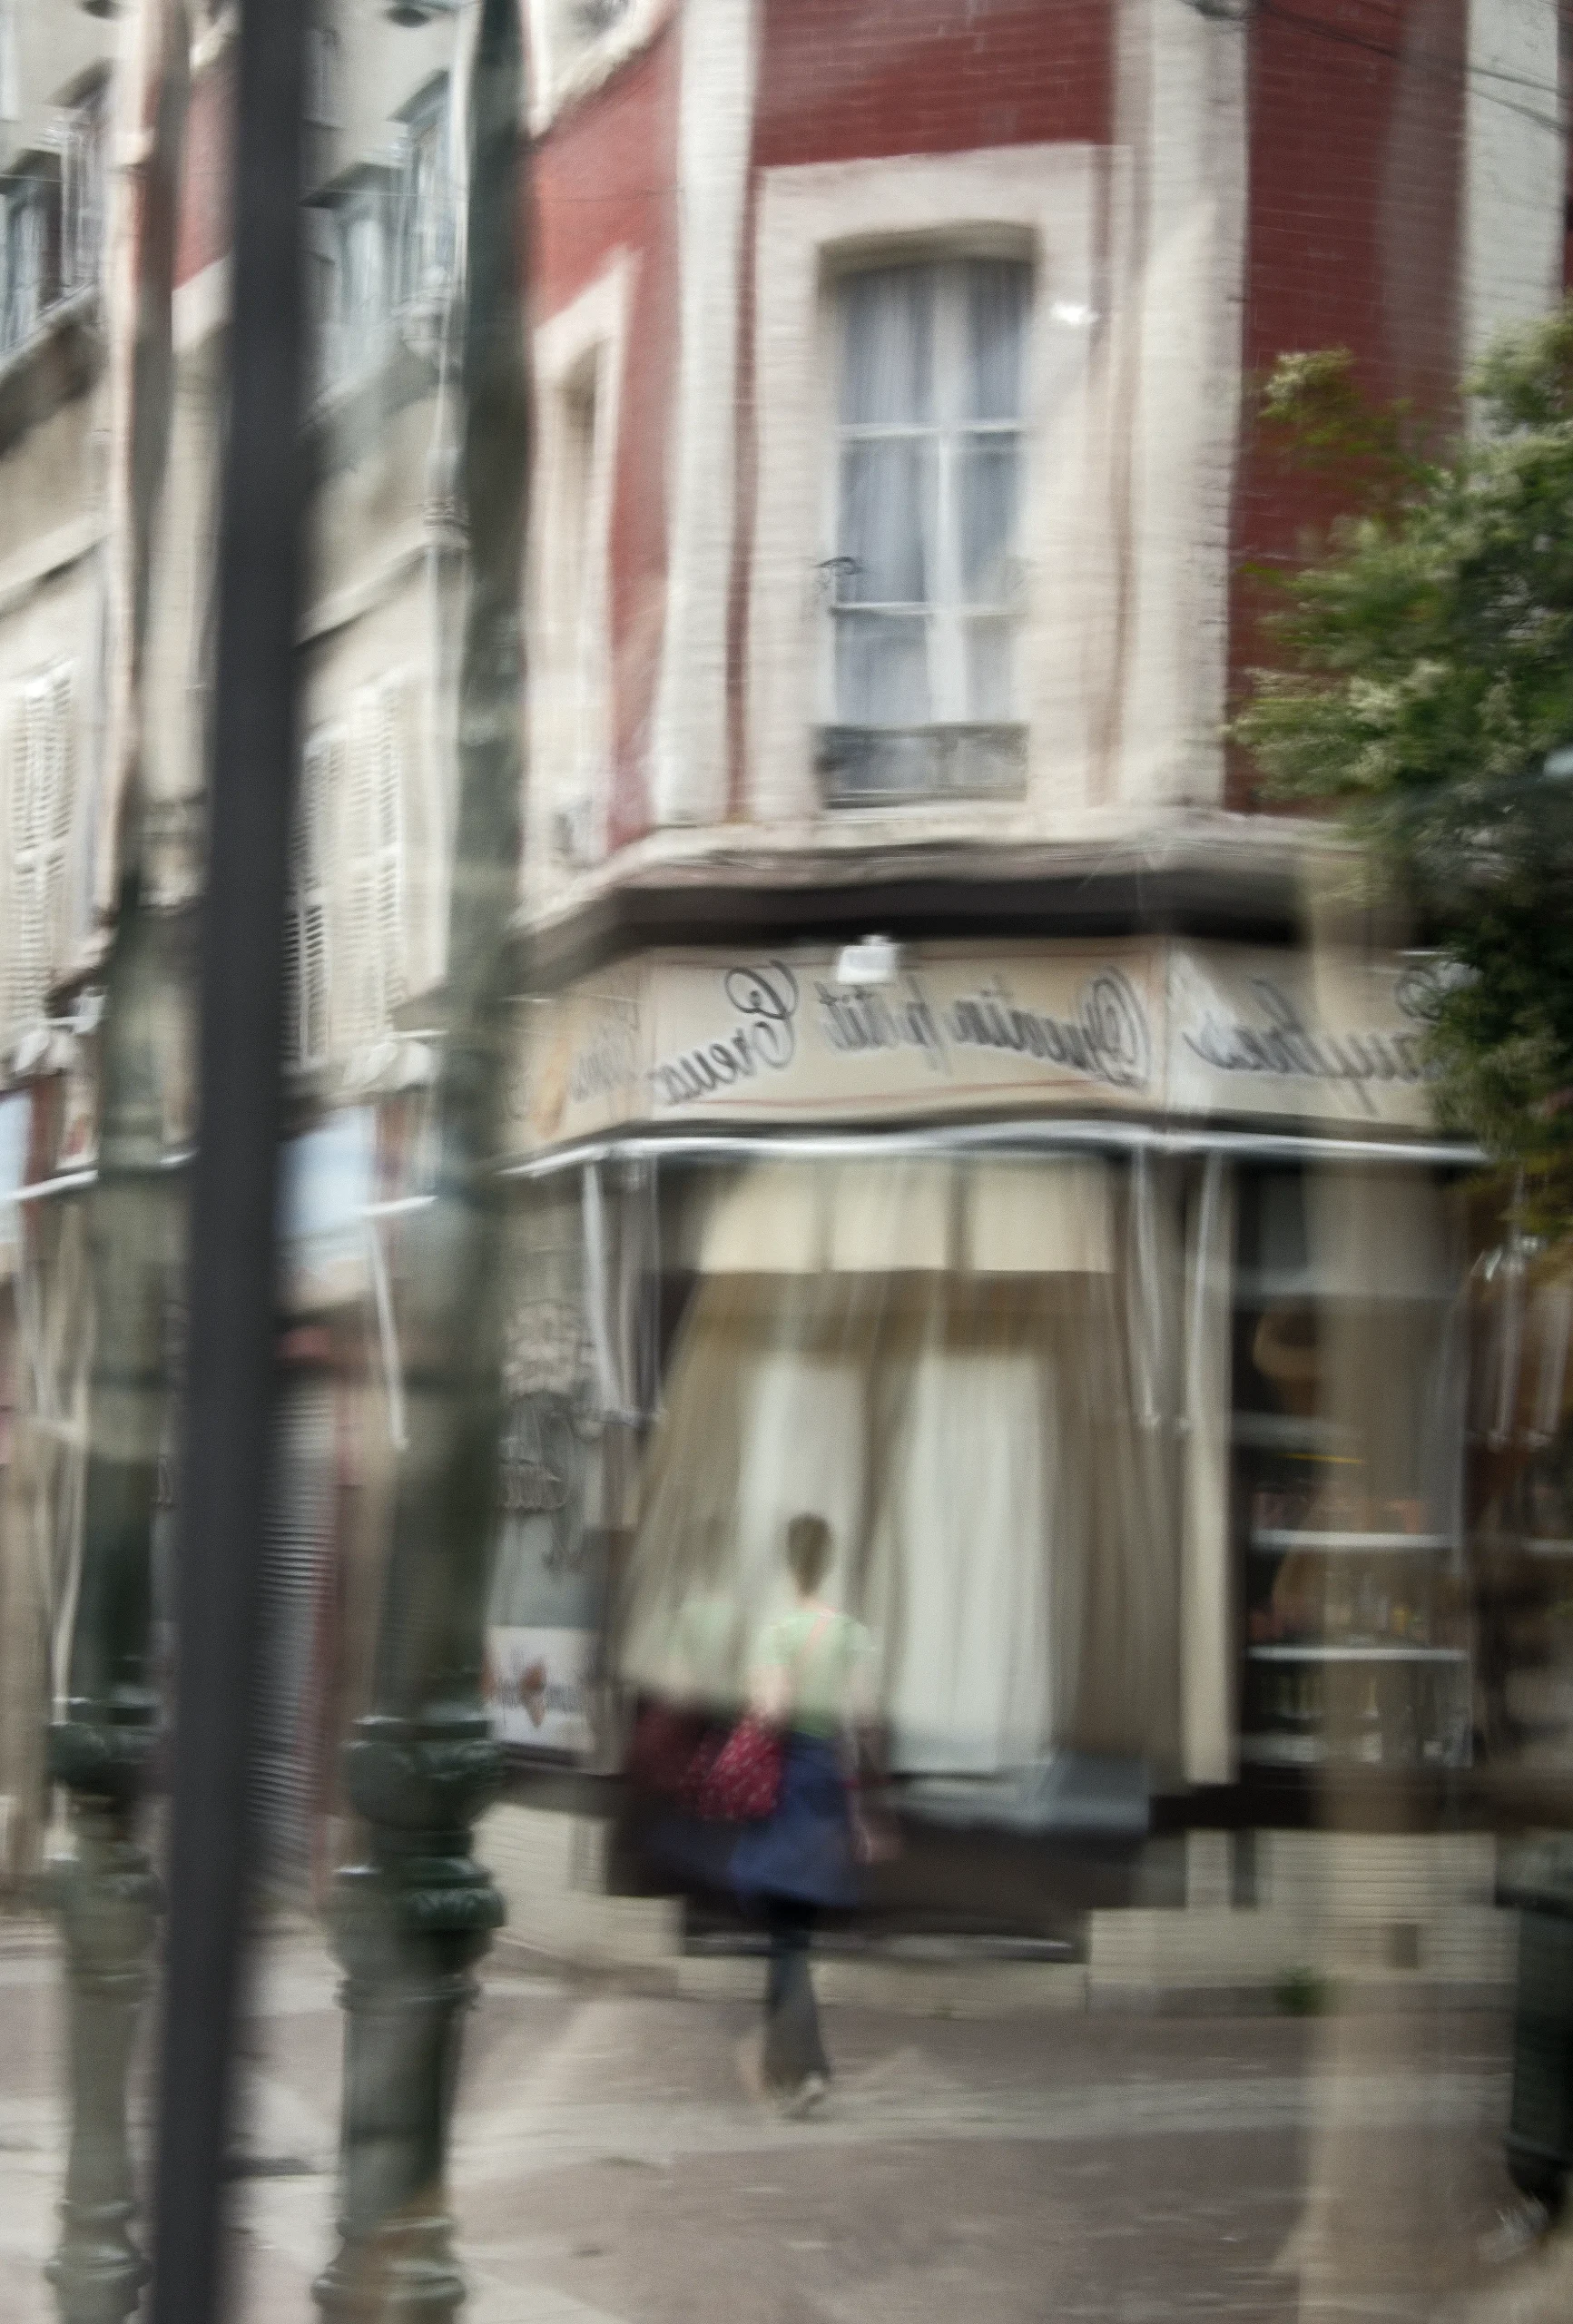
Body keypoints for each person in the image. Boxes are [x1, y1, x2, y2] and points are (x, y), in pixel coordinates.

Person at [730, 1512, 879, 2118]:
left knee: (784, 1936)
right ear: (828, 1563)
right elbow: (864, 1719)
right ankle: (785, 2071)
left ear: (789, 1564)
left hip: (784, 1781)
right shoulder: (851, 1635)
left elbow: (771, 1711)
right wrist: (863, 1809)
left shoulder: (776, 1634)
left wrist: (758, 1694)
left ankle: (804, 2070)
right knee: (795, 1935)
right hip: (828, 1781)